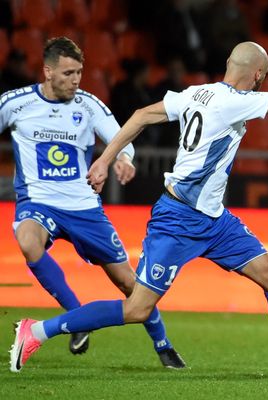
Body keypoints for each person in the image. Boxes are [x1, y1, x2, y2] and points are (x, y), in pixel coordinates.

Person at [10, 38, 268, 383]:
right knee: (137, 309)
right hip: (178, 221)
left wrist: (104, 158)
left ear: (228, 66)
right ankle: (39, 330)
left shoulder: (196, 93)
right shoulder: (236, 102)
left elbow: (141, 115)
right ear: (257, 76)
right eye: (263, 77)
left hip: (214, 220)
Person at [2, 37, 185, 369]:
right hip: (38, 201)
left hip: (84, 207)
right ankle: (76, 320)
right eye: (69, 72)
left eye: (80, 72)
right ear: (47, 71)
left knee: (129, 283)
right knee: (28, 242)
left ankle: (163, 345)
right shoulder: (15, 103)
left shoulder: (88, 105)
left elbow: (121, 138)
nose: (76, 80)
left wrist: (123, 160)